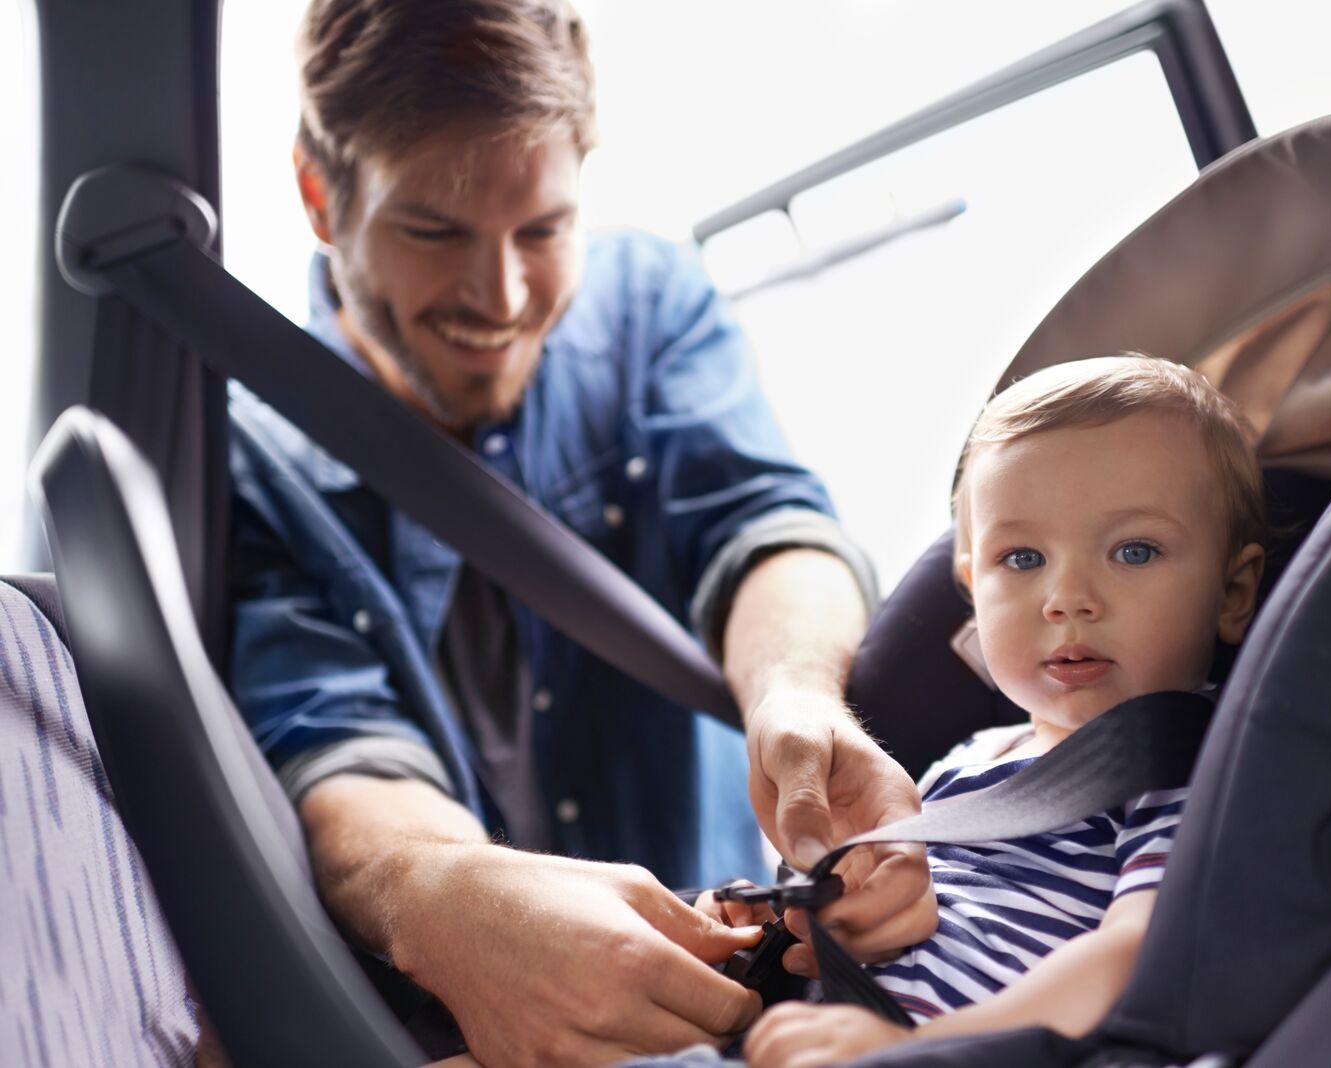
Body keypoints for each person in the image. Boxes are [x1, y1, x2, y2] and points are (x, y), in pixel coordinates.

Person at [225, 1, 934, 1063]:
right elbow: (335, 746)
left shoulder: (651, 304)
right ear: (321, 198)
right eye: (435, 230)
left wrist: (795, 695)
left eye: (544, 231)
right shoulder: (249, 458)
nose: (501, 295)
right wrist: (456, 906)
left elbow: (767, 525)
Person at [733, 355, 1268, 1068]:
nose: (1067, 597)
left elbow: (1136, 956)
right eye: (1021, 559)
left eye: (1133, 551)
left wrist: (918, 1050)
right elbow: (906, 917)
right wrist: (798, 918)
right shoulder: (967, 762)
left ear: (1233, 592)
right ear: (971, 590)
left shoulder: (1189, 769)